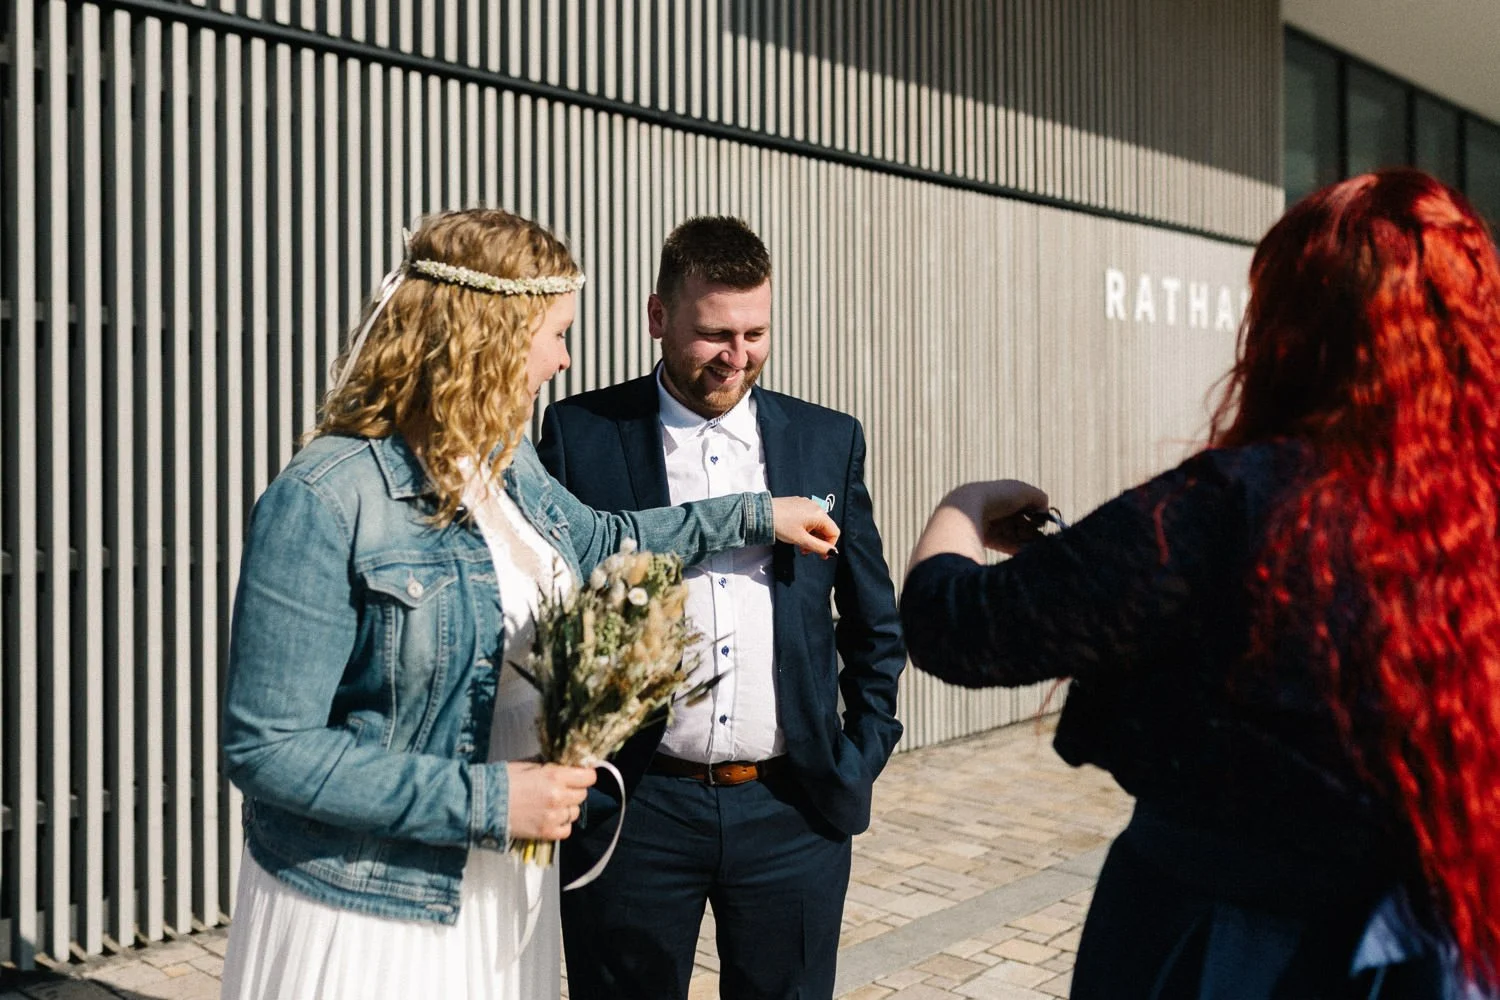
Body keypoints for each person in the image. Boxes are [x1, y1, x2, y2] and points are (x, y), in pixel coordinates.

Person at [899, 169, 1500, 998]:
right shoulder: (1476, 513)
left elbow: (952, 622)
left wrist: (963, 506)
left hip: (1213, 943)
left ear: (1289, 326)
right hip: (1438, 944)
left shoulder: (1231, 503)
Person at [218, 208, 838, 1000]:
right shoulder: (326, 497)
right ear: (490, 337)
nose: (564, 359)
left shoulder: (506, 469)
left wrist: (756, 514)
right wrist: (493, 798)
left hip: (502, 889)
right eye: (555, 334)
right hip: (378, 903)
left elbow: (604, 539)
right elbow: (266, 750)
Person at [538, 215, 906, 999]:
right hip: (636, 806)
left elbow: (873, 618)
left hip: (792, 807)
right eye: (714, 334)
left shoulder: (826, 439)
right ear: (657, 318)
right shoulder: (580, 435)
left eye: (756, 333)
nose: (737, 358)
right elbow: (545, 610)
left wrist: (863, 749)